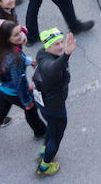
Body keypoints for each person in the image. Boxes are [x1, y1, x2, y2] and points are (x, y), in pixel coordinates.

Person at [0, 20, 47, 157]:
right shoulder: (15, 59)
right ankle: (40, 131)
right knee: (31, 109)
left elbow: (15, 56)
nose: (21, 36)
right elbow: (19, 82)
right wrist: (26, 101)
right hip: (13, 91)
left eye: (20, 32)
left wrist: (27, 60)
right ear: (8, 39)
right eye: (16, 35)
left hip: (1, 87)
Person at [32, 28, 75, 176]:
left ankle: (44, 151)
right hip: (54, 107)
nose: (61, 46)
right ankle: (44, 167)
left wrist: (64, 54)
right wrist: (67, 54)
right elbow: (53, 68)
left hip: (45, 104)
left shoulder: (42, 53)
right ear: (48, 46)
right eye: (56, 44)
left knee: (51, 126)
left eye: (61, 42)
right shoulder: (49, 65)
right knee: (56, 137)